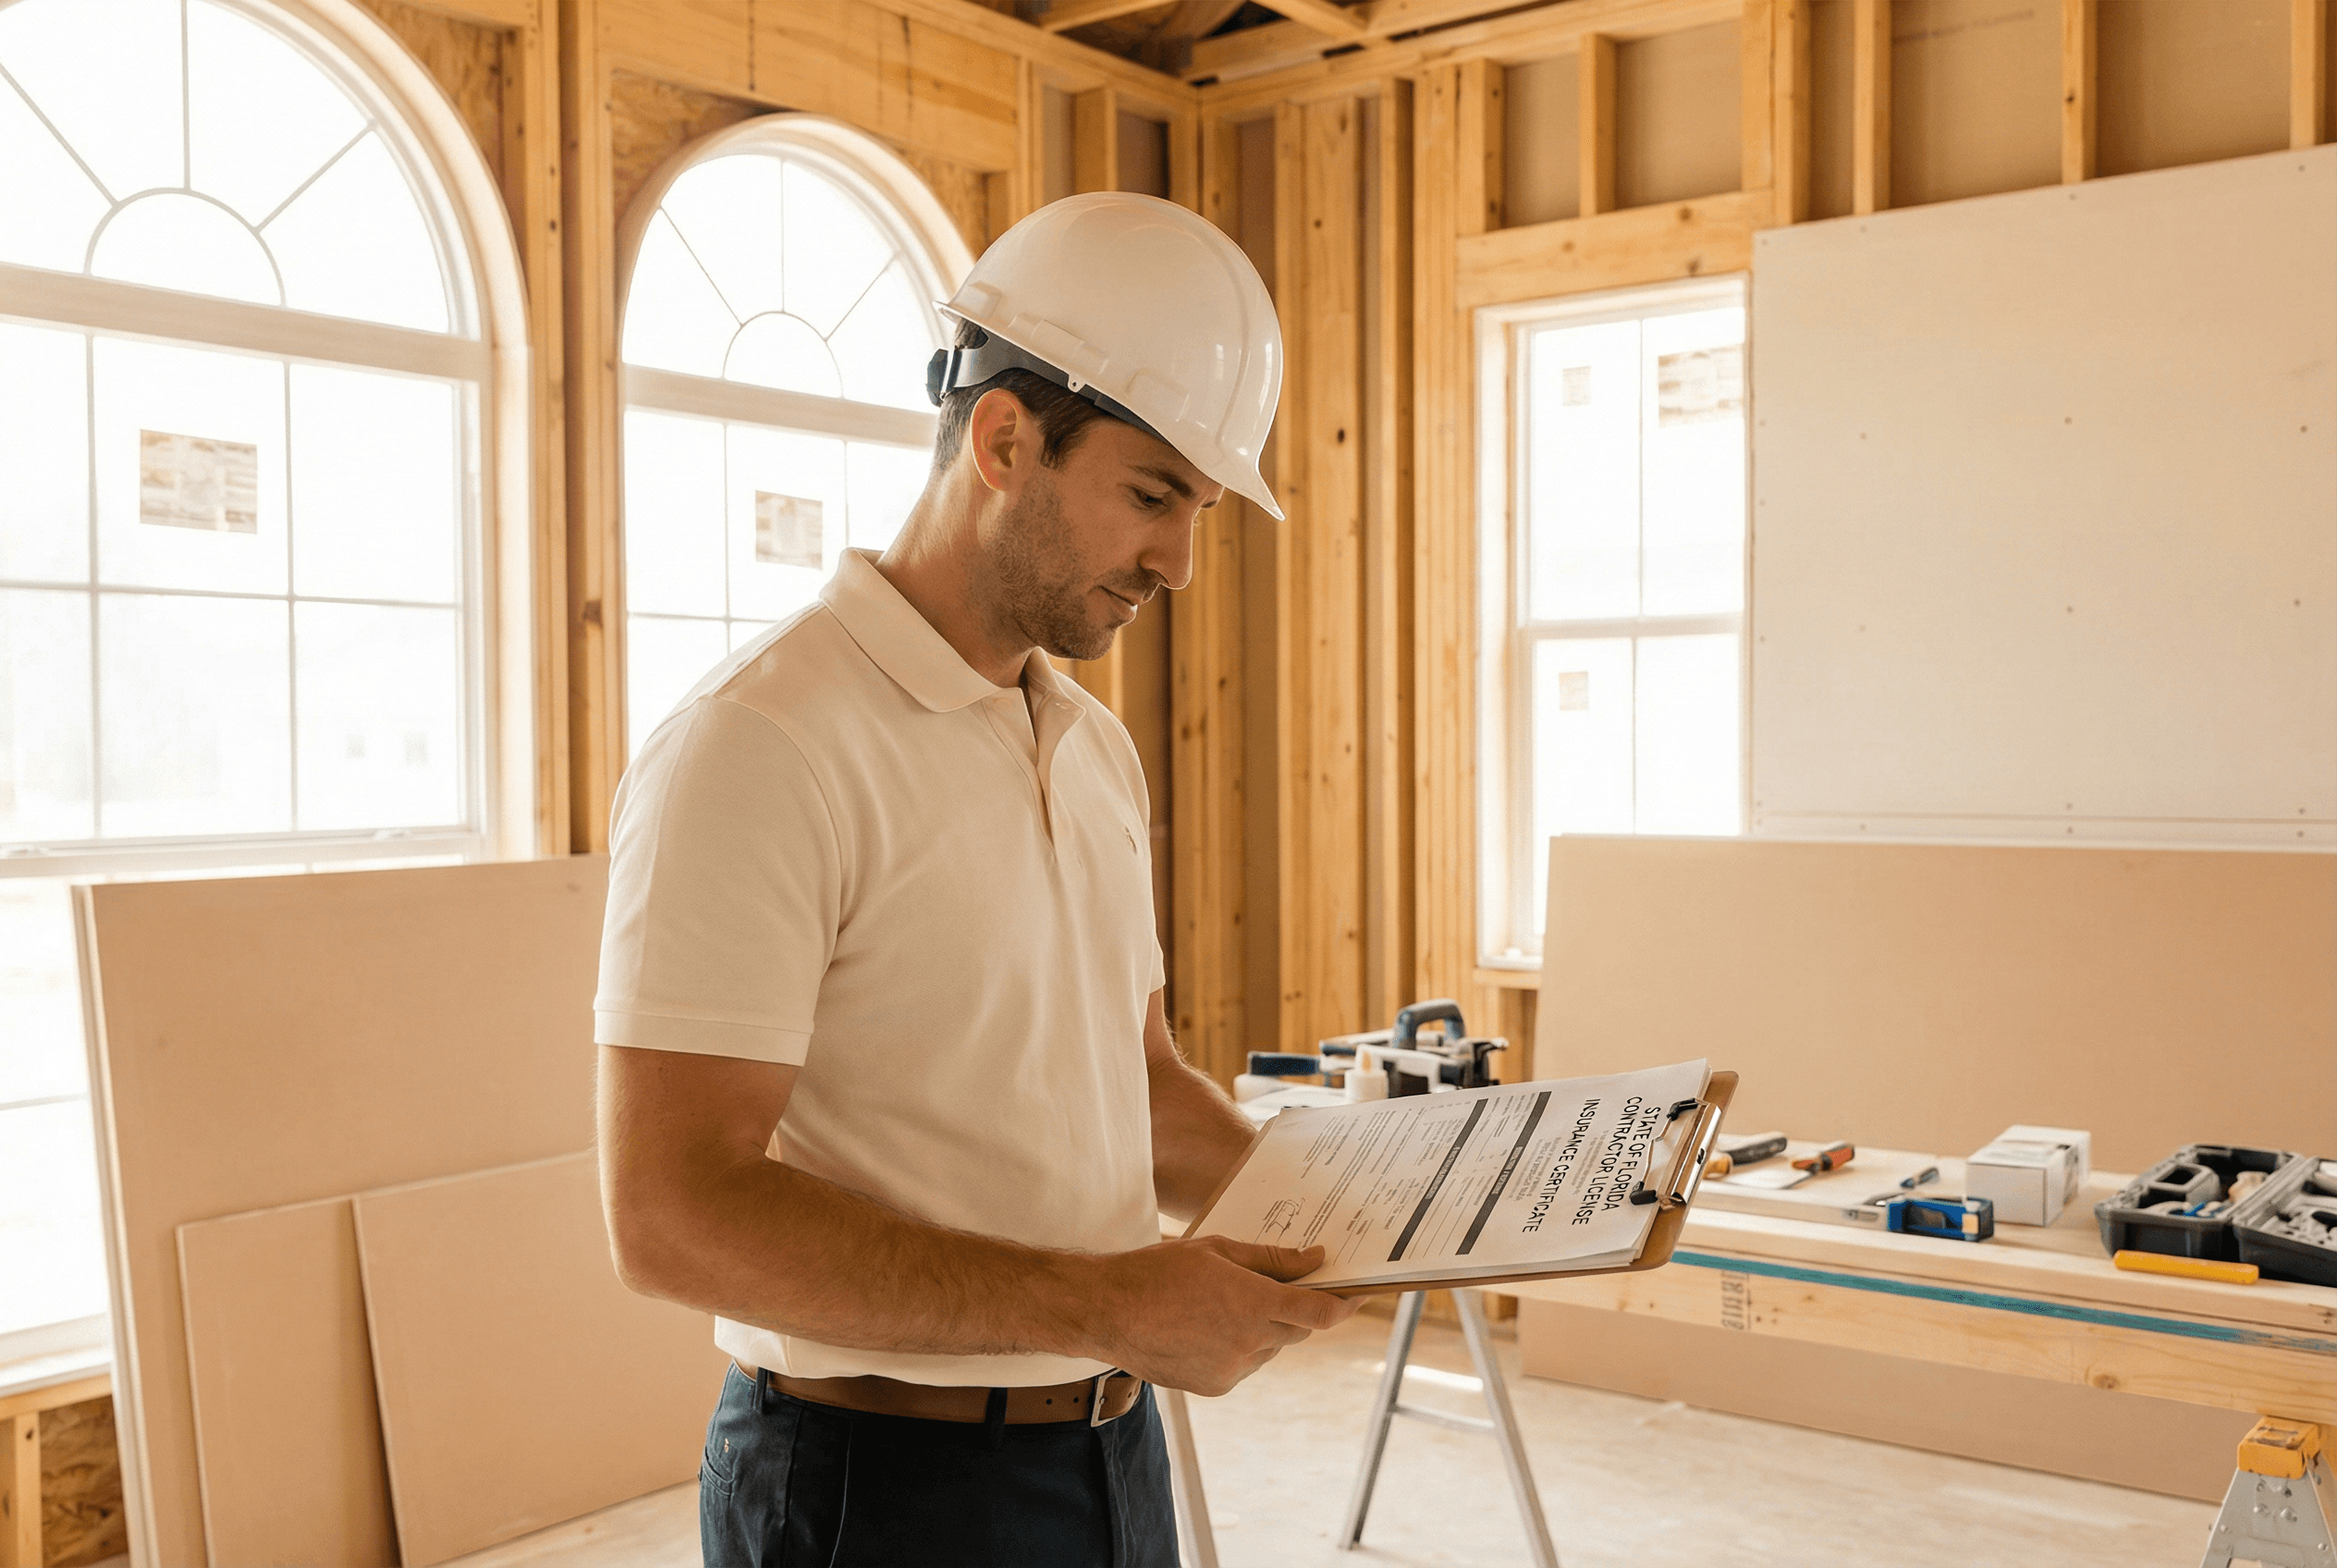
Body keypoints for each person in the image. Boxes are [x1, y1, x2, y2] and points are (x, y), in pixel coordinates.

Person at [593, 190, 1357, 1567]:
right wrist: (1109, 1302)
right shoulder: (759, 746)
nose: (1179, 563)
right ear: (1004, 439)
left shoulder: (1091, 745)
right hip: (875, 1490)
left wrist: (1376, 1216)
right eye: (1151, 497)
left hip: (1111, 1458)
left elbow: (1137, 1091)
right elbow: (673, 1213)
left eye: (1196, 512)